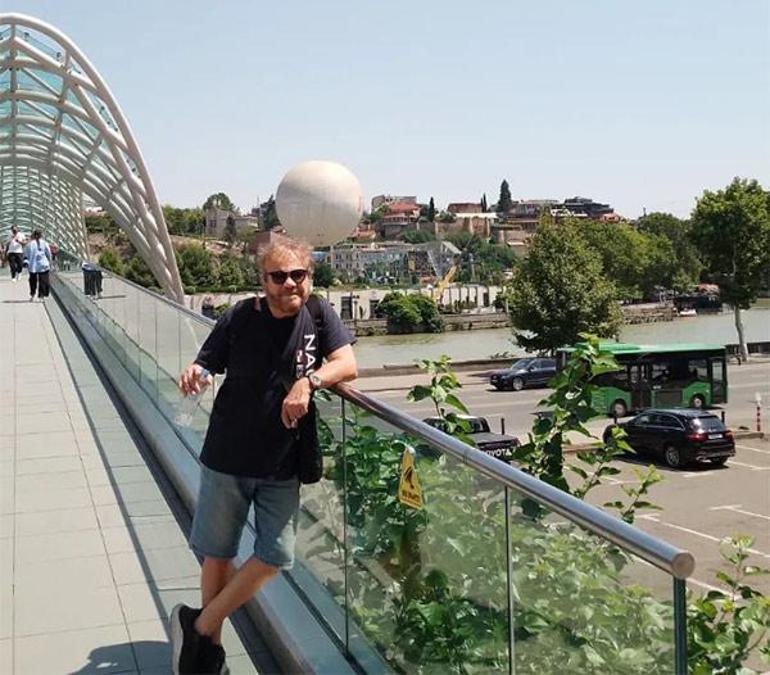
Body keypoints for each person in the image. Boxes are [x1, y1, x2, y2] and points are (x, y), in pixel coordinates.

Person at [171, 236, 357, 674]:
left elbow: (347, 364)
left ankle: (199, 626)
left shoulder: (318, 313)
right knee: (218, 553)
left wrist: (308, 381)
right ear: (263, 280)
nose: (289, 283)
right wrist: (195, 372)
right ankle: (209, 654)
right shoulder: (240, 316)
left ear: (310, 276)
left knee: (275, 555)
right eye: (278, 276)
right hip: (228, 455)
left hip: (283, 462)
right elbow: (207, 362)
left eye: (298, 274)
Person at [24, 230, 52, 301]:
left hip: (32, 265)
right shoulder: (45, 243)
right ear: (41, 235)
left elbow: (26, 255)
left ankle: (32, 294)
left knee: (32, 280)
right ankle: (41, 296)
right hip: (43, 264)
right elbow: (48, 253)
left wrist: (27, 262)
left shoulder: (29, 244)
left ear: (33, 235)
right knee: (43, 280)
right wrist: (49, 261)